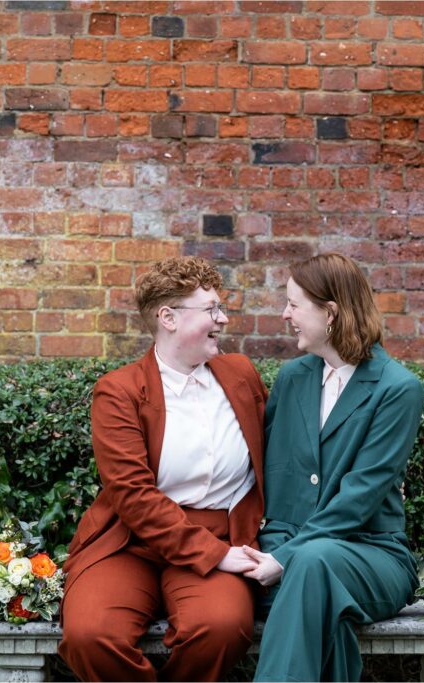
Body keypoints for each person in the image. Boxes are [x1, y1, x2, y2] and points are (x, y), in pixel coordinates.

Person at [58, 256, 267, 682]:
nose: (223, 318)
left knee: (222, 627)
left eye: (220, 308)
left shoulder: (241, 375)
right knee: (90, 635)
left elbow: (277, 457)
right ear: (168, 317)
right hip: (130, 541)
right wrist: (217, 557)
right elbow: (132, 495)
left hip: (220, 534)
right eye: (210, 309)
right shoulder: (118, 391)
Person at [242, 252, 424, 682]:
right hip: (294, 555)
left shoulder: (398, 390)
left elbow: (360, 498)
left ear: (330, 312)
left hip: (372, 555)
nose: (285, 314)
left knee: (312, 563)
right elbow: (271, 477)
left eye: (294, 304)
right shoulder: (293, 378)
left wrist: (283, 558)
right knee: (322, 604)